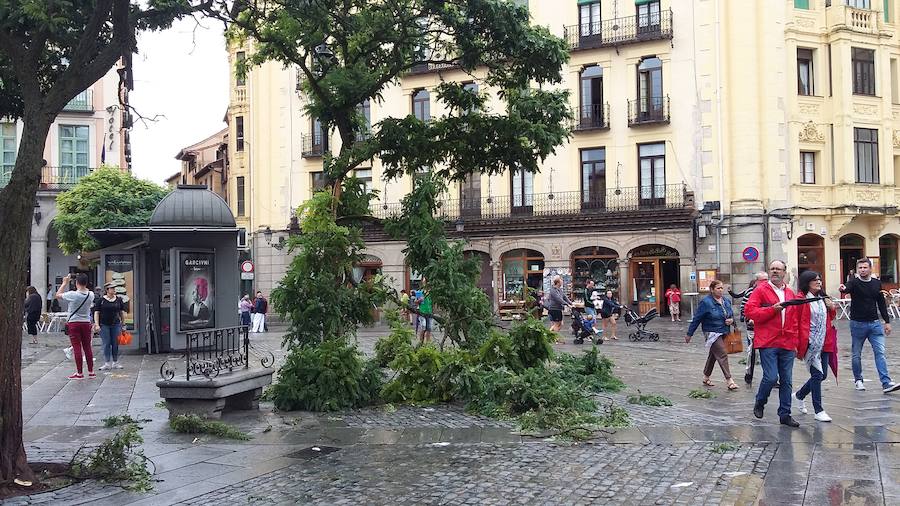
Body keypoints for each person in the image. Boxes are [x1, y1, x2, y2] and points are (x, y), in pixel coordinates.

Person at [745, 260, 800, 427]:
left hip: (787, 342)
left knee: (787, 380)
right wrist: (771, 310)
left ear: (784, 273)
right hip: (768, 341)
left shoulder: (790, 293)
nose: (775, 271)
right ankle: (760, 402)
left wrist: (796, 341)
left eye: (778, 269)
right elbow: (749, 311)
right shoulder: (761, 290)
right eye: (772, 268)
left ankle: (785, 414)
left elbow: (794, 319)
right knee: (770, 377)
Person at [840, 257, 900, 393]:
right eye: (860, 268)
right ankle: (858, 380)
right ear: (857, 270)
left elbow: (881, 303)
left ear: (870, 269)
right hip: (857, 324)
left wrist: (887, 322)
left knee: (880, 353)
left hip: (874, 324)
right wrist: (843, 288)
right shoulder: (853, 283)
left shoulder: (876, 283)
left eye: (865, 267)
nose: (862, 270)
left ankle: (886, 383)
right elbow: (846, 288)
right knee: (856, 354)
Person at [792, 270, 837, 422]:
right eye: (815, 280)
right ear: (807, 282)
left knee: (822, 375)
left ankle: (799, 395)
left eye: (820, 279)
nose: (819, 282)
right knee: (817, 375)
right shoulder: (801, 299)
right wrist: (797, 344)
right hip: (809, 343)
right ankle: (818, 410)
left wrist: (831, 308)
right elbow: (796, 321)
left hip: (824, 341)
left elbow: (828, 319)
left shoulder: (823, 298)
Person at [685, 280, 738, 390]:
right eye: (718, 288)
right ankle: (729, 380)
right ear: (712, 289)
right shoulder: (706, 302)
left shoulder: (726, 301)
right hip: (711, 332)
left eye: (721, 288)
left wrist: (732, 321)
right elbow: (697, 319)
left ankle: (706, 376)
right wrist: (689, 334)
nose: (720, 290)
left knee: (714, 355)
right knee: (722, 353)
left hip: (724, 330)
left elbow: (731, 314)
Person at [731, 272, 769, 384]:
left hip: (768, 326)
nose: (766, 282)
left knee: (770, 351)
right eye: (763, 280)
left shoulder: (771, 291)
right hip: (753, 326)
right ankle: (749, 373)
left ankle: (771, 376)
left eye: (767, 279)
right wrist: (750, 319)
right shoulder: (750, 292)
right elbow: (745, 308)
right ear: (757, 281)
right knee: (753, 351)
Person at [56, 273, 95, 380]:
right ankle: (91, 371)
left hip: (74, 323)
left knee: (77, 347)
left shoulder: (73, 294)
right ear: (86, 283)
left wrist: (64, 283)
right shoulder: (91, 294)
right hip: (86, 323)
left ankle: (79, 373)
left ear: (77, 283)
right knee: (87, 347)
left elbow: (58, 295)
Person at [93, 282, 125, 371]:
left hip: (116, 324)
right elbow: (97, 312)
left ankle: (115, 362)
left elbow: (121, 312)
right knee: (106, 343)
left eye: (114, 288)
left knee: (115, 343)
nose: (114, 290)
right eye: (112, 288)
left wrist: (123, 323)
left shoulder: (118, 299)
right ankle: (107, 363)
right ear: (107, 290)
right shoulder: (101, 300)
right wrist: (97, 324)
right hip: (104, 324)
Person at [545, 276, 572, 341]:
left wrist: (571, 303)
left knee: (560, 324)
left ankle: (548, 334)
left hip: (558, 309)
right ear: (558, 282)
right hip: (554, 309)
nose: (562, 282)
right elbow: (558, 299)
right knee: (557, 324)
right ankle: (555, 338)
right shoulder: (553, 290)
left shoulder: (559, 289)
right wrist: (567, 304)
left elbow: (564, 297)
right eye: (561, 280)